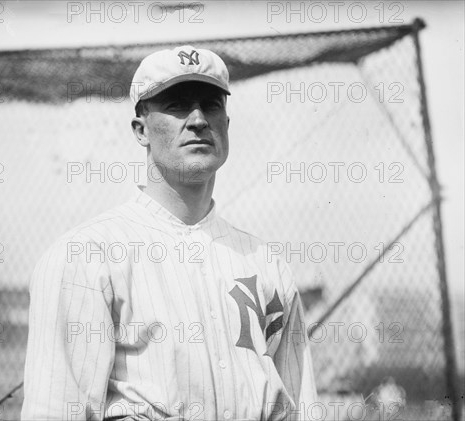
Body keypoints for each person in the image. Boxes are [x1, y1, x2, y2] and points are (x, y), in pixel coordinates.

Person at [21, 45, 317, 421]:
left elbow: (303, 408)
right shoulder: (85, 257)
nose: (197, 120)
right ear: (140, 130)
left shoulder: (265, 262)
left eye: (211, 105)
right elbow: (56, 412)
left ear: (227, 123)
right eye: (177, 105)